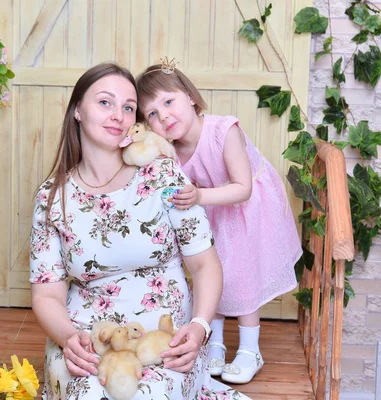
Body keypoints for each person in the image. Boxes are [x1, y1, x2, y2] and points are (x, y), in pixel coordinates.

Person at [29, 63, 249, 400]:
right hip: (86, 338)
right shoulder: (51, 197)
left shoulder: (163, 176)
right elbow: (47, 294)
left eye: (128, 107)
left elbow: (205, 265)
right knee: (85, 393)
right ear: (77, 111)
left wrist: (200, 327)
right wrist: (68, 338)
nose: (118, 114)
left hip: (163, 336)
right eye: (105, 102)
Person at [135, 62, 302, 384]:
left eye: (168, 102)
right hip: (213, 210)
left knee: (241, 277)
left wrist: (198, 197)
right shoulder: (170, 151)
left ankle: (251, 349)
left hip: (249, 208)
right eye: (152, 114)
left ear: (191, 98)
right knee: (215, 272)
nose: (164, 116)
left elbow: (243, 189)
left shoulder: (224, 131)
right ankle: (215, 343)